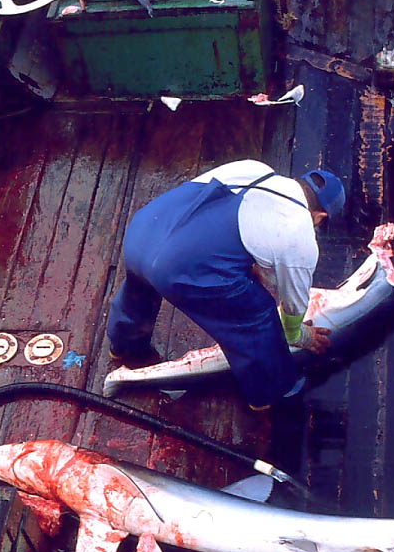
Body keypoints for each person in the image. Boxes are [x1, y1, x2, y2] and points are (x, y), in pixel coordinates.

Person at [106, 159, 345, 409]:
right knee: (258, 316)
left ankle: (124, 345)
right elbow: (294, 303)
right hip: (174, 268)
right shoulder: (300, 234)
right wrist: (298, 334)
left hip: (142, 231)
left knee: (138, 293)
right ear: (320, 217)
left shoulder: (255, 169)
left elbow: (217, 218)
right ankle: (269, 392)